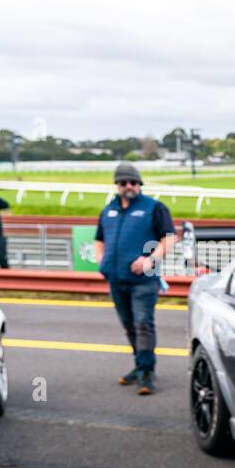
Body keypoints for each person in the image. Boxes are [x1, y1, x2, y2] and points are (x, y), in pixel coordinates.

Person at [94, 162, 175, 394]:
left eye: (132, 182)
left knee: (143, 324)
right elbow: (99, 239)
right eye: (123, 182)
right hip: (116, 280)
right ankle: (140, 365)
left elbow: (169, 238)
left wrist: (150, 260)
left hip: (144, 281)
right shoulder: (109, 210)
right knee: (129, 326)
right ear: (117, 185)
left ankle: (147, 372)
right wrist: (102, 260)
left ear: (139, 184)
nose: (128, 186)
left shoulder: (154, 208)